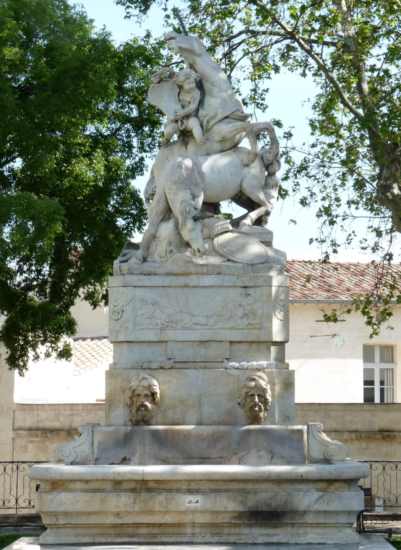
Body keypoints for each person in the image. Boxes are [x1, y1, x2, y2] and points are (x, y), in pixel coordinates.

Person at [162, 68, 205, 145]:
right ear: (182, 84)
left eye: (193, 83)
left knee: (195, 124)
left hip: (189, 118)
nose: (192, 85)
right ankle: (166, 139)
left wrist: (182, 113)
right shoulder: (177, 92)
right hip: (176, 121)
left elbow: (193, 107)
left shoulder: (196, 92)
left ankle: (201, 142)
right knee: (169, 131)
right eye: (188, 83)